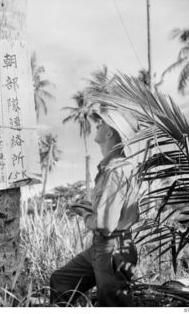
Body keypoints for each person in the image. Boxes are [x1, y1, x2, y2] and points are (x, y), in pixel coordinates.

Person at [50, 106, 140, 307]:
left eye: (103, 123)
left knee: (113, 304)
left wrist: (84, 214)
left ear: (109, 133)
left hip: (112, 248)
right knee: (61, 281)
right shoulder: (109, 168)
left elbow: (106, 224)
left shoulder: (116, 171)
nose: (97, 124)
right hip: (104, 246)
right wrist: (90, 207)